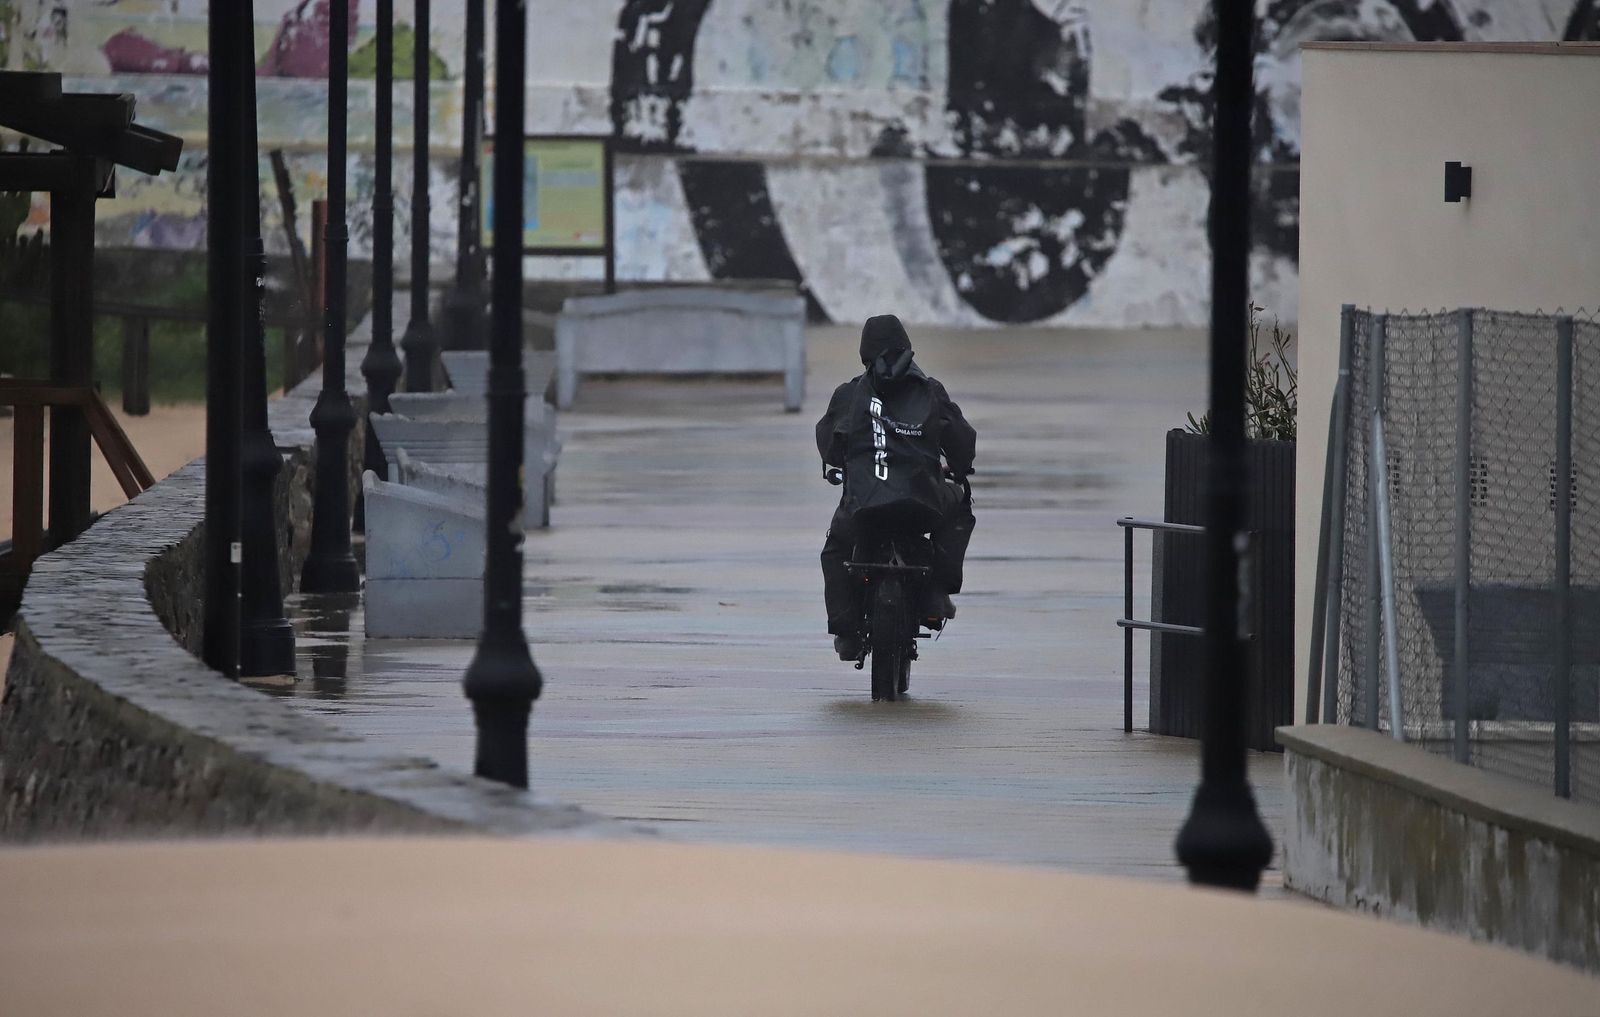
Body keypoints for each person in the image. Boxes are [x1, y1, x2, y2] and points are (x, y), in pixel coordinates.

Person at [817, 315, 976, 660]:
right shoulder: (931, 391)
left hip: (864, 506)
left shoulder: (849, 394)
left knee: (835, 549)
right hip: (925, 505)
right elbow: (962, 441)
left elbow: (829, 444)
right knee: (959, 505)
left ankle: (846, 631)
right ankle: (936, 592)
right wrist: (960, 470)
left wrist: (842, 460)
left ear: (864, 354)